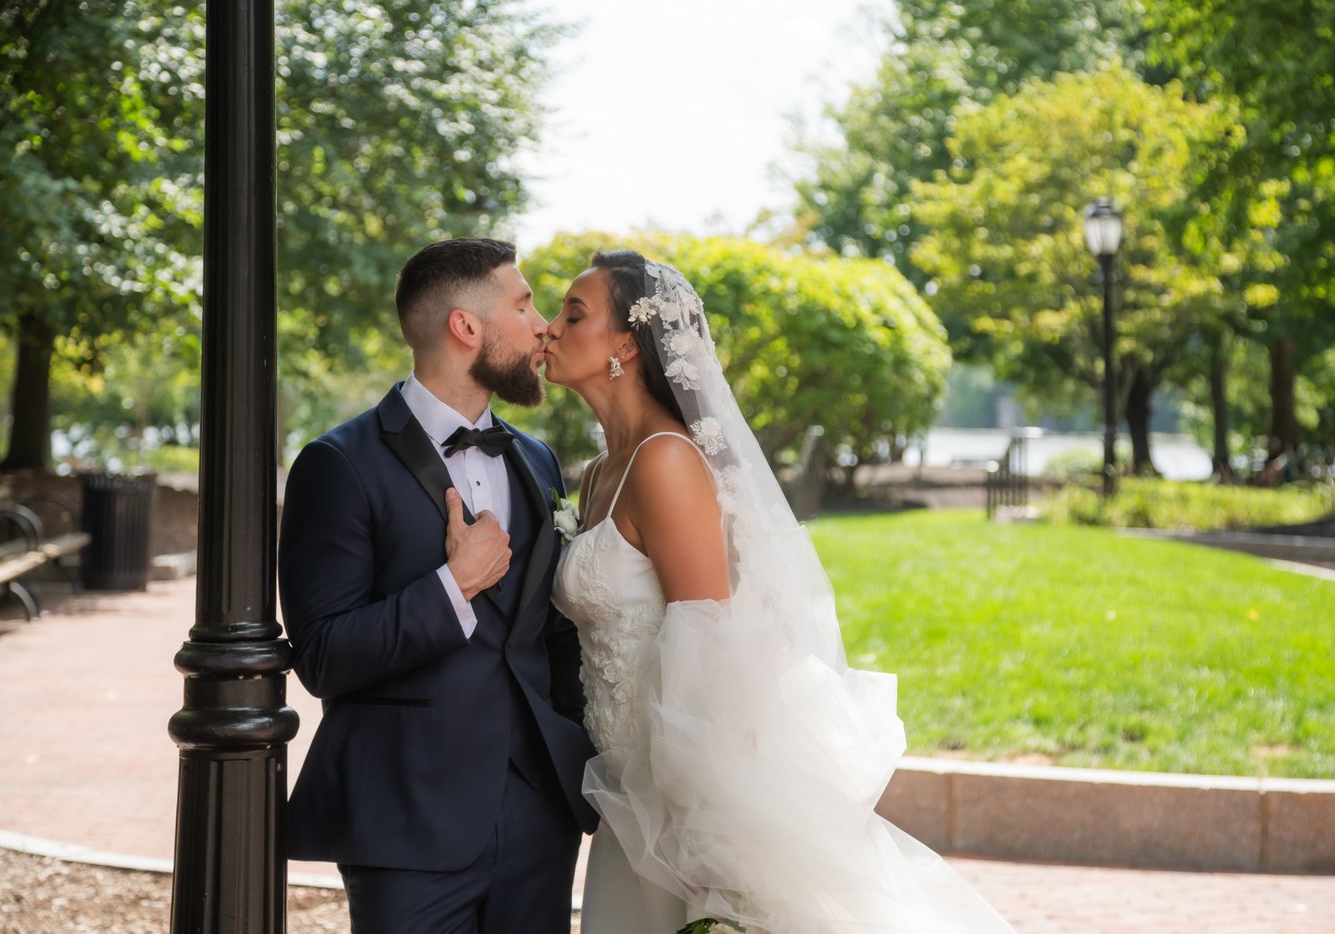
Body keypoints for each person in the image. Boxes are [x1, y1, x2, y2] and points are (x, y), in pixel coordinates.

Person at [545, 251, 1015, 933]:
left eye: (573, 313)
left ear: (625, 344)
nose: (550, 329)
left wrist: (711, 838)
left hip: (687, 807)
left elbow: (711, 649)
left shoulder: (666, 462)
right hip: (625, 800)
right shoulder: (597, 474)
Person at [278, 237, 597, 934]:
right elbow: (324, 656)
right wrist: (453, 584)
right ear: (465, 327)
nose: (541, 323)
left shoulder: (538, 459)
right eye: (523, 304)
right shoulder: (337, 465)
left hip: (539, 815)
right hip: (406, 819)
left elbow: (553, 628)